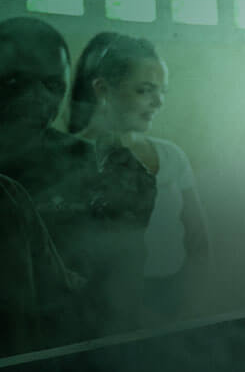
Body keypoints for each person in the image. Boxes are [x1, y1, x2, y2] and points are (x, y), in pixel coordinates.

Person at [0, 17, 152, 347]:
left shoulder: (91, 164)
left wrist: (132, 223)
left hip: (76, 351)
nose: (37, 98)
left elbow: (120, 293)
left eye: (53, 86)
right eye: (15, 81)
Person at [69, 32, 209, 327]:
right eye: (145, 90)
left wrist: (192, 300)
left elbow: (198, 240)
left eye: (162, 92)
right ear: (103, 89)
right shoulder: (69, 158)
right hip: (97, 309)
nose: (158, 102)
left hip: (170, 301)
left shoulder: (172, 156)